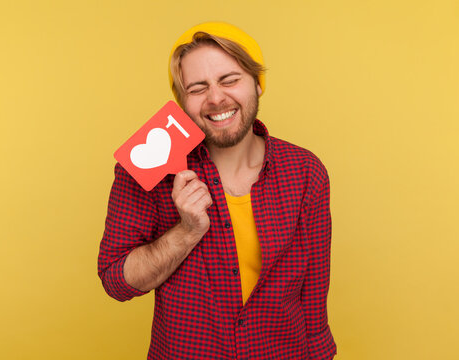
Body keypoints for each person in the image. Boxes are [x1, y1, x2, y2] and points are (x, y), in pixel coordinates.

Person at [98, 22, 337, 359]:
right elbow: (116, 281)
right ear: (181, 102)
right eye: (198, 88)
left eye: (230, 80)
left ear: (257, 83)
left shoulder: (305, 171)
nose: (215, 98)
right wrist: (186, 231)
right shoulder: (146, 171)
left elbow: (314, 296)